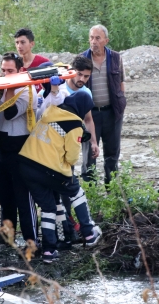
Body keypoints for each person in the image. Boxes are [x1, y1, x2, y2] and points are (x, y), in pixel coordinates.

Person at [18, 91, 102, 263]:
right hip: (48, 168)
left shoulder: (51, 110)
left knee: (48, 207)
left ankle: (49, 251)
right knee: (76, 191)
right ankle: (88, 233)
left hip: (26, 164)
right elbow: (71, 158)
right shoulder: (74, 124)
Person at [0, 52, 38, 249]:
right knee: (6, 197)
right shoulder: (1, 88)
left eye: (10, 71)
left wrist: (7, 88)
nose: (6, 75)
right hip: (2, 151)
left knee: (23, 198)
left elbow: (9, 112)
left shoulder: (27, 91)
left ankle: (32, 240)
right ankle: (7, 236)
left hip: (21, 152)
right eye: (3, 70)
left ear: (21, 71)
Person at [81, 25, 126, 185]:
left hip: (112, 113)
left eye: (98, 38)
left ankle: (112, 189)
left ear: (106, 40)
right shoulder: (82, 59)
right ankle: (90, 193)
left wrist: (121, 103)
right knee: (88, 154)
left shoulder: (115, 58)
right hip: (89, 114)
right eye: (92, 37)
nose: (94, 42)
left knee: (112, 153)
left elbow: (121, 82)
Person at [64, 56, 99, 180]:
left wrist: (94, 142)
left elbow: (88, 119)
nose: (81, 79)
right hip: (53, 141)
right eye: (79, 74)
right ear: (72, 71)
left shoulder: (86, 93)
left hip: (71, 142)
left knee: (68, 175)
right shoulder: (59, 88)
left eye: (86, 76)